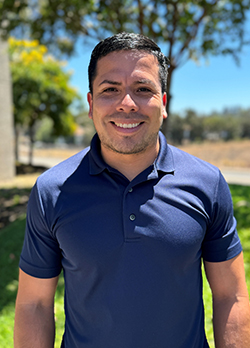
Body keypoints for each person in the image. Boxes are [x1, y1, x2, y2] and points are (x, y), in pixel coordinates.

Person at [14, 32, 250, 348]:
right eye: (110, 90)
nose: (127, 104)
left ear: (163, 103)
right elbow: (35, 305)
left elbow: (231, 296)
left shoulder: (207, 183)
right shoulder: (51, 191)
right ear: (91, 103)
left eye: (143, 89)